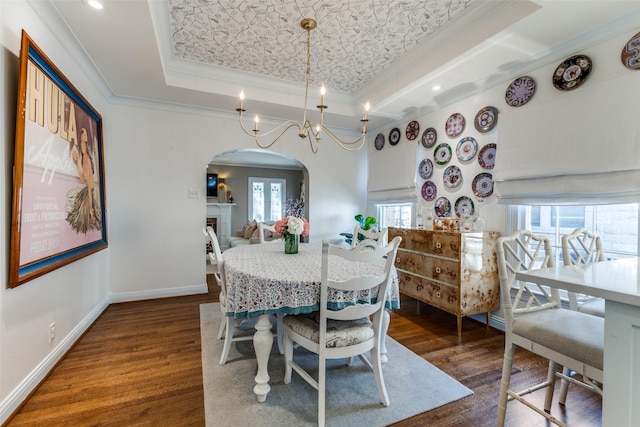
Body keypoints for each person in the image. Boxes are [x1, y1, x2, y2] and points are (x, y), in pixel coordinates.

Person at [66, 127, 101, 233]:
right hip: (88, 193)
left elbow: (90, 187)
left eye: (83, 139)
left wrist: (91, 210)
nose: (81, 143)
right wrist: (76, 163)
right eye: (80, 140)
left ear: (86, 142)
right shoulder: (84, 159)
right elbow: (82, 180)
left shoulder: (87, 160)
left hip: (90, 195)